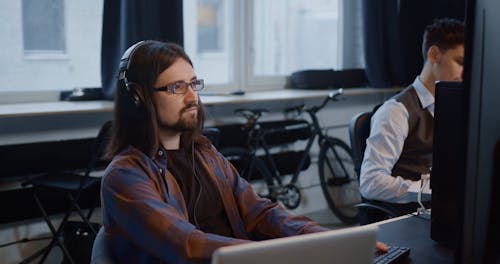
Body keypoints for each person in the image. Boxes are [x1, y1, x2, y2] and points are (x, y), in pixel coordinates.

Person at [101, 40, 387, 263]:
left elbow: (258, 211)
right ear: (138, 97)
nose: (193, 98)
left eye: (193, 84)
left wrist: (326, 239)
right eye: (176, 87)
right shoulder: (125, 176)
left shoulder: (204, 152)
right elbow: (187, 246)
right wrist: (279, 255)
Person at [359, 18, 464, 216]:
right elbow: (370, 183)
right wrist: (431, 191)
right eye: (460, 62)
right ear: (434, 55)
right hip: (410, 216)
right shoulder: (396, 111)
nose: (466, 73)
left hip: (443, 211)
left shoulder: (456, 107)